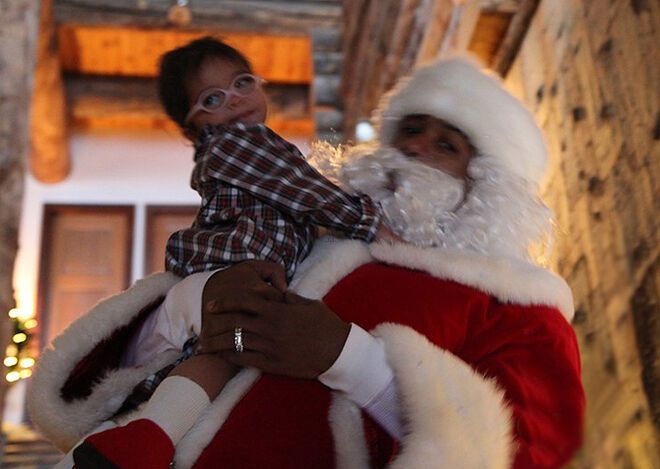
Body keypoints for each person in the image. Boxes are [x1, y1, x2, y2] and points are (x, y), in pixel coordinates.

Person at [29, 56, 585, 468]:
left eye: (448, 145)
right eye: (411, 130)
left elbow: (521, 453)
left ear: (487, 184)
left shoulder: (521, 308)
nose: (415, 149)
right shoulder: (308, 232)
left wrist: (345, 357)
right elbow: (183, 356)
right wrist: (195, 304)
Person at [67, 36, 393, 468]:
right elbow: (304, 191)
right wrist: (371, 221)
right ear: (193, 126)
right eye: (213, 98)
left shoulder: (243, 144)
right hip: (237, 261)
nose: (235, 99)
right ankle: (143, 439)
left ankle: (147, 437)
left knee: (226, 352)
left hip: (247, 268)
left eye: (242, 82)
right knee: (233, 346)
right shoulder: (239, 143)